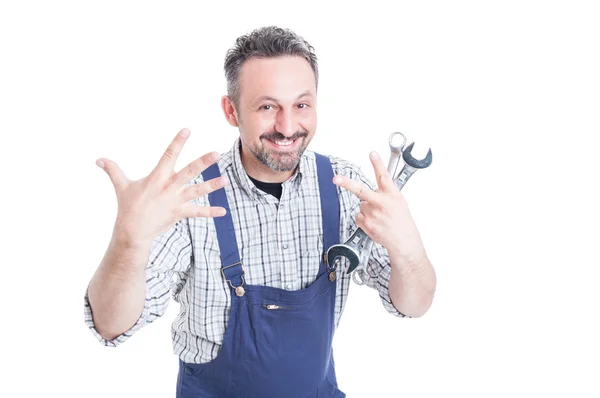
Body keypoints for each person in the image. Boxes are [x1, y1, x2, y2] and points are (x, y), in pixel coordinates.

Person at [84, 25, 437, 398]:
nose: (287, 128)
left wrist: (408, 246)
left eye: (301, 105)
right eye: (267, 107)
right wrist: (128, 241)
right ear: (231, 110)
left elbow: (414, 306)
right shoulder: (192, 200)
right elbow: (111, 326)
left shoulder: (344, 186)